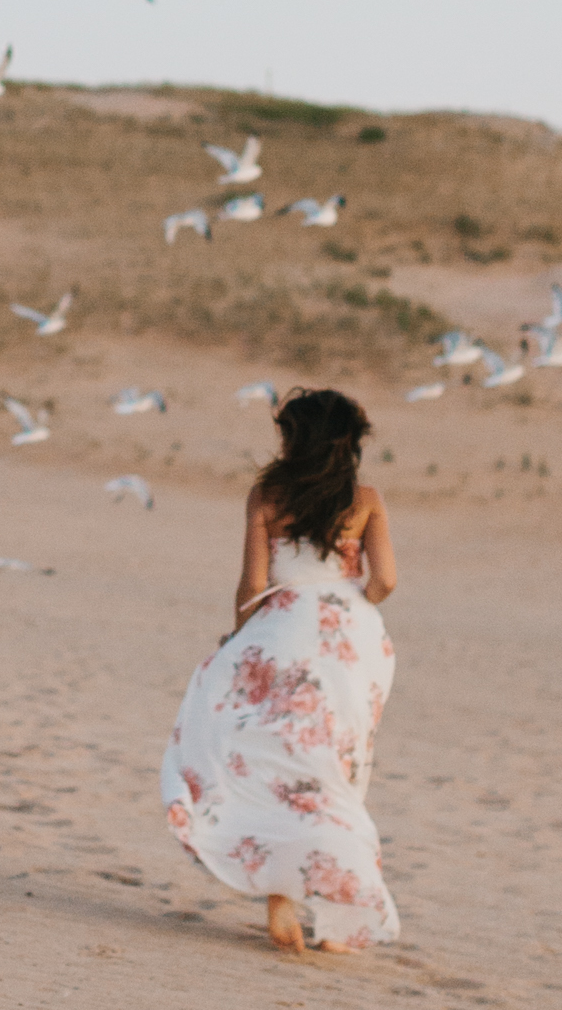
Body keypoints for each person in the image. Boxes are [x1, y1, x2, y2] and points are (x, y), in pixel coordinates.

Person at [159, 386, 400, 957]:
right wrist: (348, 602)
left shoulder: (266, 495)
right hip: (351, 640)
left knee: (269, 758)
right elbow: (386, 580)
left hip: (281, 629)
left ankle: (280, 897)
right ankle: (339, 912)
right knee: (337, 766)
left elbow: (252, 584)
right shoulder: (366, 499)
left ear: (295, 440)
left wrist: (239, 639)